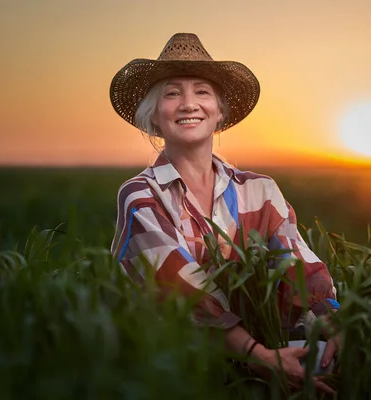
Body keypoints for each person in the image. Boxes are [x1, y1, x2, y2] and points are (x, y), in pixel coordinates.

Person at [109, 33, 340, 394]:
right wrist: (258, 356)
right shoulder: (140, 195)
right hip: (179, 372)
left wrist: (335, 324)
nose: (188, 104)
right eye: (172, 93)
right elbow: (180, 289)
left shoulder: (259, 190)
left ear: (219, 111)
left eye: (202, 92)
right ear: (154, 115)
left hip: (267, 354)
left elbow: (299, 265)